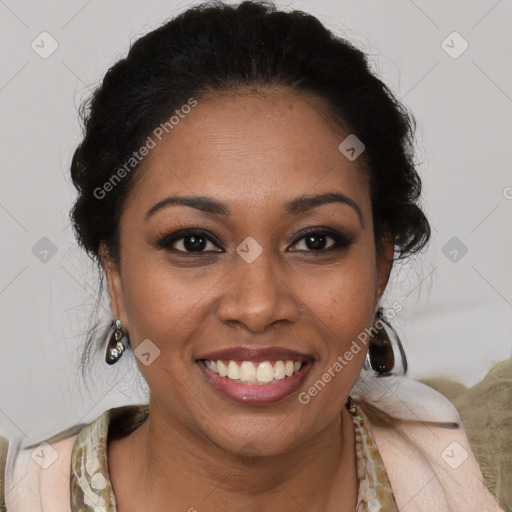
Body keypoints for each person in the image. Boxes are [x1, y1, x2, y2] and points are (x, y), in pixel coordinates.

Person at [0, 1, 508, 510]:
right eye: (194, 242)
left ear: (381, 266)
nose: (259, 306)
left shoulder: (492, 466)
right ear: (114, 273)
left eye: (315, 240)